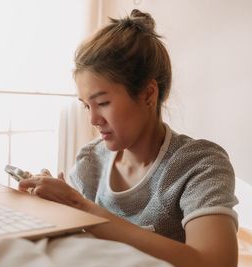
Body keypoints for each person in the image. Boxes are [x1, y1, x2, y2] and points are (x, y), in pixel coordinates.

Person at [19, 9, 238, 267]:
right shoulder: (91, 161)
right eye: (86, 106)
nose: (93, 120)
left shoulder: (199, 165)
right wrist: (55, 206)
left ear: (148, 94)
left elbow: (215, 263)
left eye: (102, 102)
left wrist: (83, 208)